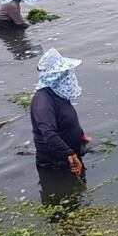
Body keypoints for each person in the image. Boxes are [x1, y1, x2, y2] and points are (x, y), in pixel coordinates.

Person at [30, 48, 88, 176]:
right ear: (55, 75)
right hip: (57, 164)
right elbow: (49, 135)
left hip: (73, 153)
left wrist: (81, 134)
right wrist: (69, 154)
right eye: (65, 72)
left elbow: (66, 117)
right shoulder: (43, 103)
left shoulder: (59, 92)